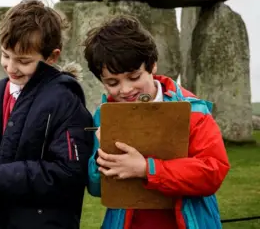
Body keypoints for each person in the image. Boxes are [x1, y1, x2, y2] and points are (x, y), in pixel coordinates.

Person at [0, 0, 93, 229]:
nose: (11, 67)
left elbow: (69, 172)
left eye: (23, 61)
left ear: (52, 57)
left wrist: (1, 179)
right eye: (5, 55)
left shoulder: (65, 100)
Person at [83, 14, 230, 229]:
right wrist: (100, 159)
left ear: (152, 66)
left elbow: (213, 171)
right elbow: (96, 188)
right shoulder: (105, 115)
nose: (125, 90)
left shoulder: (193, 110)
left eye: (134, 77)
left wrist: (146, 169)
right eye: (112, 82)